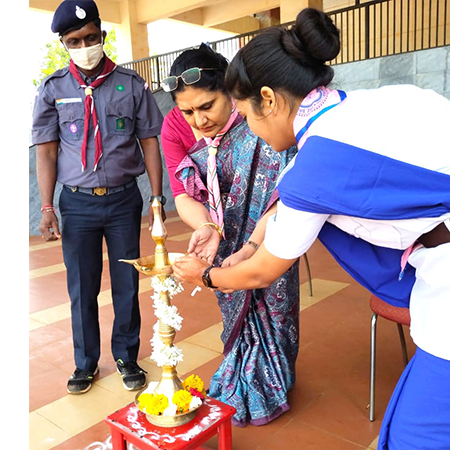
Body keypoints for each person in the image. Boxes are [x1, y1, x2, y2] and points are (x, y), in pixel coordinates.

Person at [173, 8, 450, 449]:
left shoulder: (318, 163)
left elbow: (263, 271)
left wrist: (205, 276)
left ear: (269, 99)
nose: (257, 134)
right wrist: (250, 242)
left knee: (422, 436)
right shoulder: (388, 100)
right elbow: (291, 204)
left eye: (249, 116)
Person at [161, 44, 301, 427]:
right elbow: (184, 194)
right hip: (225, 245)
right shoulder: (201, 144)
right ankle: (239, 371)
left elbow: (281, 197)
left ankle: (271, 381)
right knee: (235, 312)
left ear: (230, 93)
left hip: (271, 240)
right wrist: (208, 226)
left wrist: (254, 245)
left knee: (271, 310)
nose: (199, 119)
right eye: (187, 112)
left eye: (207, 106)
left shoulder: (259, 130)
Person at [32, 0, 165, 395]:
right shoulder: (53, 89)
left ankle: (127, 357)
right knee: (81, 285)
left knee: (127, 281)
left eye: (91, 37)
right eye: (75, 41)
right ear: (64, 44)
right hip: (77, 203)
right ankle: (85, 363)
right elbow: (47, 151)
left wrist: (157, 200)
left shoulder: (131, 84)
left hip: (124, 201)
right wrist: (46, 207)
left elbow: (149, 144)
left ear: (102, 37)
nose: (85, 45)